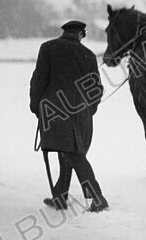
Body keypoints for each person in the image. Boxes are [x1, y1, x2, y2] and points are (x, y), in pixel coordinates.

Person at [29, 20, 108, 212]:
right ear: (81, 34)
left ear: (65, 32)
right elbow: (96, 88)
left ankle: (98, 198)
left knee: (73, 154)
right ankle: (60, 197)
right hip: (81, 113)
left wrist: (36, 106)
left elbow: (39, 80)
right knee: (69, 151)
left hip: (55, 110)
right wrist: (88, 110)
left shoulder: (48, 48)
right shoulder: (88, 54)